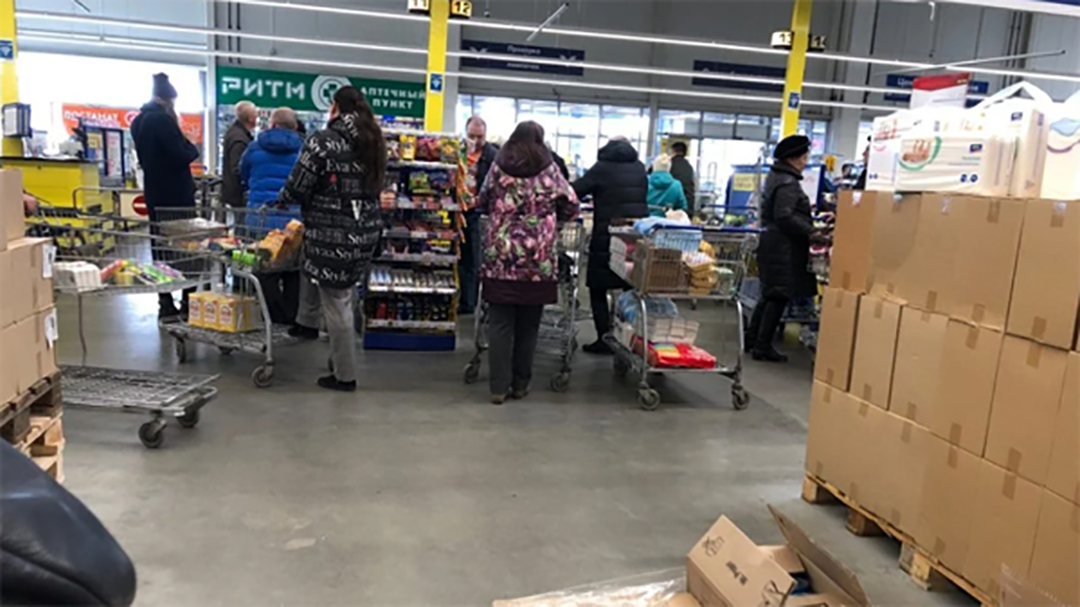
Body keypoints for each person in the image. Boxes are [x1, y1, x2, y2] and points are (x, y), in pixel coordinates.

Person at [279, 86, 386, 392]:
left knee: (337, 303)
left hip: (331, 233)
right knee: (346, 297)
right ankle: (338, 361)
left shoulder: (323, 141)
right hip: (366, 230)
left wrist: (283, 199)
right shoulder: (374, 141)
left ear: (335, 106)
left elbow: (298, 185)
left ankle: (345, 375)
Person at [479, 121, 580, 404]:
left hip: (501, 256)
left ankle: (498, 388)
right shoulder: (549, 169)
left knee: (499, 323)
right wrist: (551, 217)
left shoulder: (498, 166)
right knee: (529, 324)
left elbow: (483, 198)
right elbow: (572, 205)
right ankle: (520, 384)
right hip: (538, 260)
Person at [130, 73, 201, 319]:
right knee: (186, 247)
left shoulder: (138, 121)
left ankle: (165, 302)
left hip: (154, 194)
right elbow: (180, 156)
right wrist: (192, 146)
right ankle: (188, 300)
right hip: (177, 197)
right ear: (167, 99)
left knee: (160, 249)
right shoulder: (162, 121)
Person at [573, 136, 649, 354]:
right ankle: (629, 337)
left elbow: (576, 190)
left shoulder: (602, 167)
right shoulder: (639, 167)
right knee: (630, 286)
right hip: (635, 237)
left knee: (597, 288)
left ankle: (604, 338)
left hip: (607, 236)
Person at [746, 135, 817, 363]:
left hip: (773, 243)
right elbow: (784, 216)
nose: (805, 162)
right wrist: (811, 231)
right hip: (783, 247)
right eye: (804, 158)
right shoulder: (788, 182)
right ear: (793, 159)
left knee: (769, 294)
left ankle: (752, 340)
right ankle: (762, 346)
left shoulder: (776, 177)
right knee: (778, 296)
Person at [239, 106, 304, 326]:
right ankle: (290, 317)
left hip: (261, 217)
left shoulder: (254, 147)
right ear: (295, 127)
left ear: (272, 124)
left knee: (264, 269)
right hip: (294, 219)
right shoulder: (304, 149)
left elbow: (243, 173)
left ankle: (273, 316)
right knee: (293, 270)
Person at [461, 115, 499, 315]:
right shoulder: (457, 151)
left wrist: (480, 201)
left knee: (473, 259)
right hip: (457, 211)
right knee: (459, 257)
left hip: (478, 213)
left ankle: (469, 303)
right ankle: (462, 298)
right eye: (471, 136)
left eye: (479, 137)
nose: (475, 141)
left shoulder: (493, 155)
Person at [223, 101, 257, 208]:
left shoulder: (236, 133)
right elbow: (237, 168)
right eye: (256, 115)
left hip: (233, 192)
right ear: (250, 118)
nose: (257, 118)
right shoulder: (240, 139)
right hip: (238, 195)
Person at [669, 141, 696, 215]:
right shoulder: (689, 167)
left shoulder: (669, 164)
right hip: (688, 203)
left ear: (673, 151)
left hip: (673, 205)